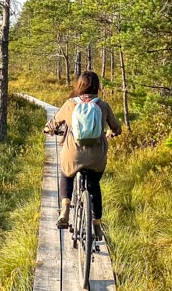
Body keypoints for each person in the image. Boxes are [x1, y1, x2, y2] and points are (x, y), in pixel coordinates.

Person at [44, 71, 122, 236]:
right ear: (97, 86)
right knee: (94, 184)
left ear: (79, 85)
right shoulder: (103, 105)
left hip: (73, 154)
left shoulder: (70, 105)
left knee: (66, 175)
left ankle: (65, 209)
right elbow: (116, 127)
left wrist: (48, 129)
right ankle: (97, 224)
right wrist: (113, 132)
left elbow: (54, 123)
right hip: (96, 156)